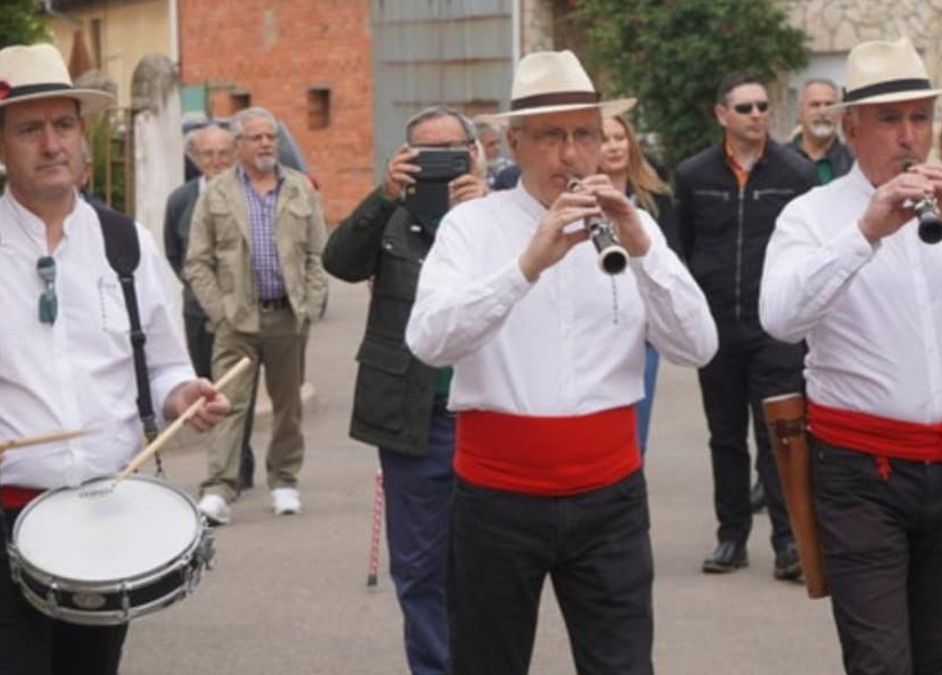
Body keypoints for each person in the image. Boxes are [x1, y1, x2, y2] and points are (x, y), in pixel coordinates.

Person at [0, 43, 229, 675]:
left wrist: (182, 395)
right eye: (30, 129)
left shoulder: (129, 242)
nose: (52, 145)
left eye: (64, 125)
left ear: (82, 131)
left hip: (106, 518)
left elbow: (164, 367)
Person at [406, 50, 717, 674]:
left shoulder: (630, 228)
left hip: (610, 496)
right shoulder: (472, 227)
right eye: (551, 136)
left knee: (623, 665)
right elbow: (429, 341)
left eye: (584, 134)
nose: (571, 154)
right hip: (496, 495)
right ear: (514, 143)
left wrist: (642, 247)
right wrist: (526, 266)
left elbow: (697, 346)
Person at [760, 37, 942, 674]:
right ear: (850, 127)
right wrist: (864, 232)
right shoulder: (811, 216)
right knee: (879, 661)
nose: (909, 136)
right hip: (860, 470)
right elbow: (779, 319)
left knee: (932, 658)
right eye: (890, 120)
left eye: (920, 117)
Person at [323, 105, 486, 675]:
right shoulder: (390, 215)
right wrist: (384, 194)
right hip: (412, 416)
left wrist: (484, 208)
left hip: (486, 414)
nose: (440, 164)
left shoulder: (499, 214)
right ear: (405, 156)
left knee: (483, 568)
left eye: (453, 151)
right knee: (418, 567)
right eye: (426, 153)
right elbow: (338, 262)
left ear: (476, 152)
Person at [675, 72, 814, 579]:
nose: (757, 115)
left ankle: (788, 542)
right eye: (745, 107)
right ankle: (731, 537)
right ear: (721, 115)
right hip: (717, 328)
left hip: (776, 328)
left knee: (779, 436)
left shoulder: (795, 173)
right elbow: (684, 245)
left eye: (762, 106)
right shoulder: (694, 175)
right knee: (726, 437)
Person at [186, 106, 328, 524]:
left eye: (271, 136)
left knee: (289, 406)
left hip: (288, 317)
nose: (267, 143)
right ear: (238, 145)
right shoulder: (216, 193)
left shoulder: (300, 189)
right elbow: (197, 261)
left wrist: (312, 302)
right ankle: (218, 489)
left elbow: (318, 254)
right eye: (257, 137)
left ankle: (284, 481)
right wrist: (220, 311)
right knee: (227, 404)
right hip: (237, 321)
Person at [163, 123, 259, 491]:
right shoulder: (181, 200)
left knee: (237, 390)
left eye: (223, 153)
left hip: (240, 312)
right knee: (207, 384)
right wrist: (200, 291)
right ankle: (225, 462)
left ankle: (237, 464)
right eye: (208, 154)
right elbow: (175, 252)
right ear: (195, 159)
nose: (216, 161)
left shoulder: (247, 195)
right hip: (198, 311)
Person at [600, 114, 677, 452]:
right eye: (605, 139)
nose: (614, 146)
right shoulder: (579, 197)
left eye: (620, 137)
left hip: (642, 330)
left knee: (634, 434)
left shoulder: (656, 197)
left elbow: (672, 261)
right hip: (598, 322)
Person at [786, 78, 854, 185]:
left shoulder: (854, 164)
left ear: (840, 112)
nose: (823, 112)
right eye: (815, 105)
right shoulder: (779, 160)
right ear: (800, 111)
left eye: (829, 104)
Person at [476, 120, 514, 189]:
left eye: (498, 142)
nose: (497, 147)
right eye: (491, 144)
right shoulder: (474, 171)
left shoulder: (508, 166)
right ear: (478, 147)